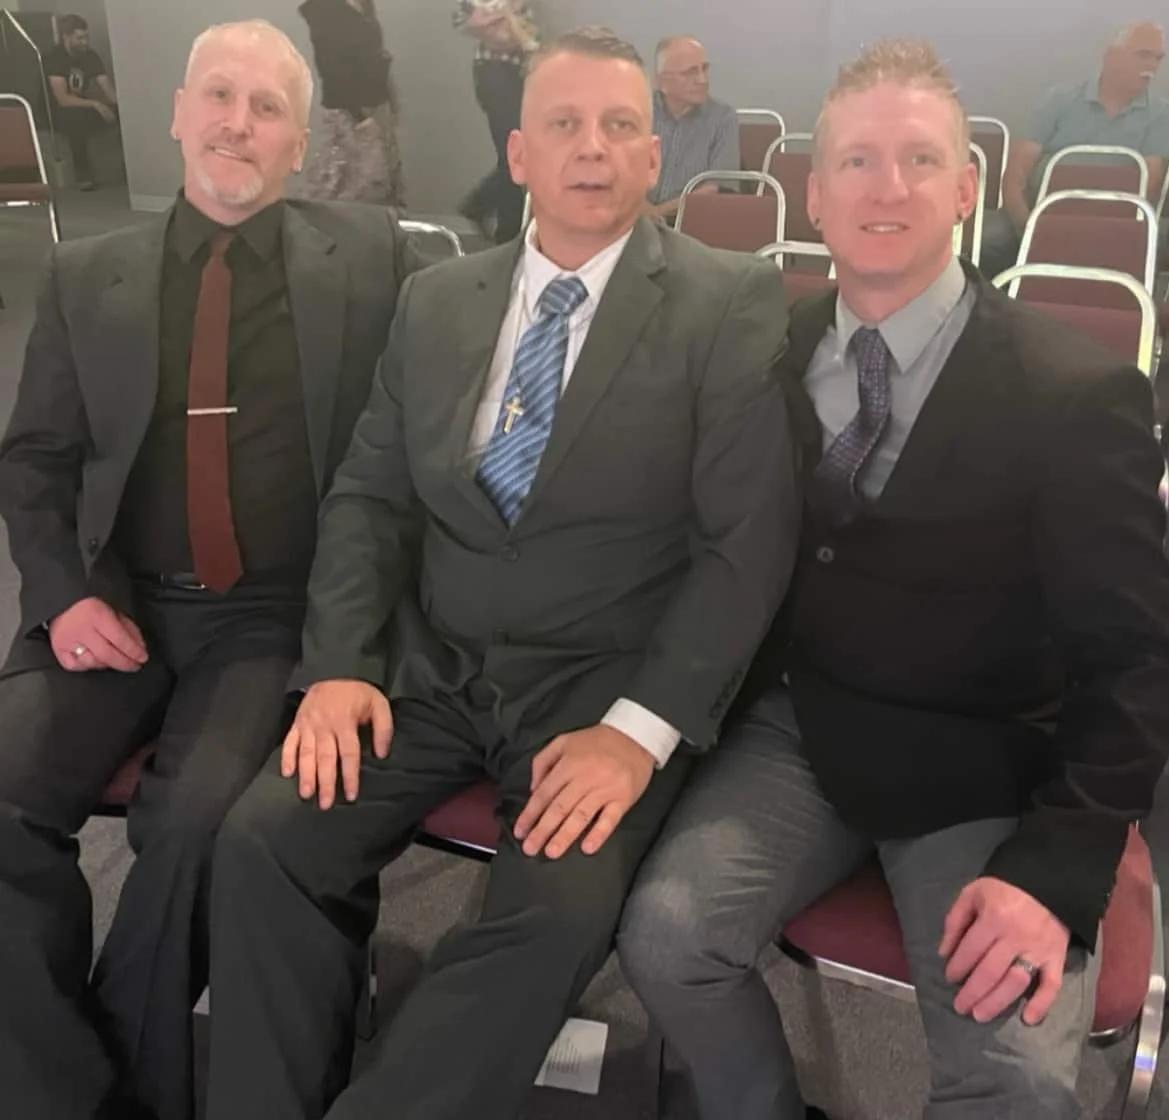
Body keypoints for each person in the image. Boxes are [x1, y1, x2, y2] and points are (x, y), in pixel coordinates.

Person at [202, 25, 797, 1120]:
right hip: (426, 670)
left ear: (653, 155)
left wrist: (638, 733)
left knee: (551, 917)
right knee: (263, 844)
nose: (592, 147)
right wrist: (339, 664)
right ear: (518, 153)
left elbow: (743, 546)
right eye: (563, 123)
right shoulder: (437, 299)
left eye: (619, 125)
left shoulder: (727, 303)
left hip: (598, 693)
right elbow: (369, 497)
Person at [619, 37, 1169, 1120]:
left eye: (920, 160)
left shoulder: (1073, 393)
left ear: (967, 187)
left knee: (1017, 1081)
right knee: (667, 939)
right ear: (815, 194)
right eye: (857, 162)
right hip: (803, 728)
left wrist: (1055, 864)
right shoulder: (772, 350)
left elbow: (1138, 665)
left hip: (986, 764)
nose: (887, 188)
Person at [0, 19, 422, 1120]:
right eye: (220, 97)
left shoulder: (371, 262)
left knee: (193, 829)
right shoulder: (86, 274)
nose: (239, 123)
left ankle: (137, 1090)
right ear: (179, 114)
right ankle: (69, 1093)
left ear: (299, 145)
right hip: (115, 603)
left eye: (268, 107)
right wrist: (63, 596)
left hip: (270, 617)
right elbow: (35, 462)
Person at [980, 21, 1169, 277]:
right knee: (987, 244)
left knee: (1150, 251)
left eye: (1158, 59)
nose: (1152, 66)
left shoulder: (1161, 113)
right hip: (1037, 212)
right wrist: (1027, 225)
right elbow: (1016, 173)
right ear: (1112, 55)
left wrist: (1093, 233)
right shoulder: (1059, 99)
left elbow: (1149, 185)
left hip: (1112, 221)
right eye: (1143, 55)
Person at [298, 0, 404, 206]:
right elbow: (331, 69)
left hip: (377, 107)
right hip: (348, 113)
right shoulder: (323, 9)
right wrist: (360, 116)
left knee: (385, 182)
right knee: (353, 186)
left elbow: (376, 55)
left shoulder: (364, 5)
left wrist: (391, 101)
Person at [454, 0, 540, 241]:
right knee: (512, 154)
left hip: (519, 75)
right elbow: (466, 23)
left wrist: (500, 21)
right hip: (494, 74)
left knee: (517, 152)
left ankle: (480, 207)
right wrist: (503, 19)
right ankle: (505, 229)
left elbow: (526, 40)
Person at [647, 36, 740, 224]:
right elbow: (619, 172)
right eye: (690, 72)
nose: (702, 80)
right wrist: (642, 211)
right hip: (632, 219)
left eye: (704, 69)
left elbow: (714, 187)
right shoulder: (639, 111)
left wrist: (657, 213)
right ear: (662, 81)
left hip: (693, 221)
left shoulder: (722, 118)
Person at [43, 13, 120, 190]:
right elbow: (62, 99)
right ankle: (82, 174)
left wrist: (120, 107)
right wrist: (96, 104)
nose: (85, 42)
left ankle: (130, 166)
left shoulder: (90, 56)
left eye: (86, 37)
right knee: (75, 118)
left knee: (116, 112)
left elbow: (107, 88)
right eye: (80, 38)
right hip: (55, 111)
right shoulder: (54, 58)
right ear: (66, 37)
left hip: (82, 106)